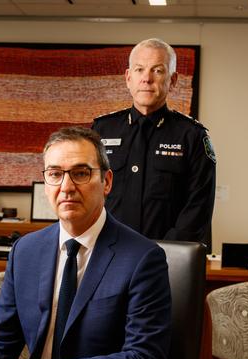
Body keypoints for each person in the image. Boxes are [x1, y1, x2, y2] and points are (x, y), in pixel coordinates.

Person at [0, 127, 172, 359]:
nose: (66, 187)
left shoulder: (142, 258)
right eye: (55, 174)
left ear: (106, 182)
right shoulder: (25, 251)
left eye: (81, 173)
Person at [92, 38, 216, 247]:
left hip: (168, 258)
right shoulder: (101, 130)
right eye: (139, 70)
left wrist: (163, 253)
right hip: (108, 251)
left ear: (173, 80)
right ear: (128, 78)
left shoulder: (192, 136)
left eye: (157, 71)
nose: (146, 79)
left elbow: (198, 207)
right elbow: (89, 192)